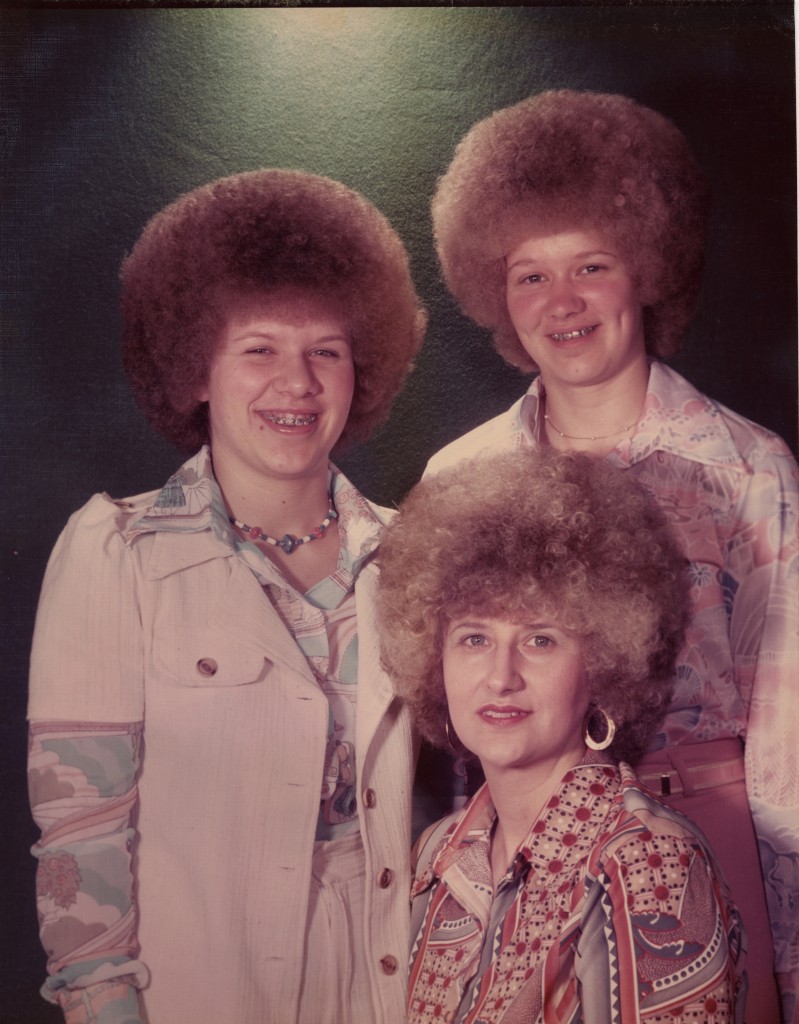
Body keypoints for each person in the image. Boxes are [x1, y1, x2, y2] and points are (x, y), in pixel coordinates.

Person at [425, 89, 798, 1022]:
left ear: (646, 268)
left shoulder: (745, 466)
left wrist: (788, 964)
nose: (562, 302)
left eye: (590, 265)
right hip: (523, 856)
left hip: (714, 840)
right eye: (529, 275)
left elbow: (787, 738)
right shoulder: (459, 475)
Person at [27, 169, 426, 1024]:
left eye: (326, 351)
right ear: (196, 369)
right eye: (259, 349)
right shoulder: (117, 552)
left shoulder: (415, 554)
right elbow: (80, 835)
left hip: (390, 983)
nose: (297, 382)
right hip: (197, 988)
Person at [377, 448, 746, 1023]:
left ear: (603, 666)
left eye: (540, 640)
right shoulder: (437, 855)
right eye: (474, 639)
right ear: (433, 661)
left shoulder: (647, 863)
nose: (501, 677)